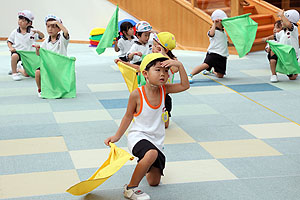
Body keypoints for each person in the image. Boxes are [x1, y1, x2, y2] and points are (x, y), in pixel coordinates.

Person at [104, 53, 190, 200]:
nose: (163, 74)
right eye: (158, 70)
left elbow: (185, 85)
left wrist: (179, 65)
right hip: (138, 136)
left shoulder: (165, 90)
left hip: (157, 141)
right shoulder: (137, 94)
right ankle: (130, 188)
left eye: (165, 71)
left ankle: (144, 163)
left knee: (154, 182)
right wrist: (117, 136)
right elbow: (128, 116)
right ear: (145, 74)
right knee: (151, 154)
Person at [187, 9, 229, 83]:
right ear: (215, 22)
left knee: (220, 75)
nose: (223, 24)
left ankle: (212, 71)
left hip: (222, 56)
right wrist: (214, 24)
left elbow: (225, 42)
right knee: (205, 65)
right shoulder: (213, 31)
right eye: (221, 22)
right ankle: (190, 75)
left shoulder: (223, 32)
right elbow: (211, 34)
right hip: (213, 54)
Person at [34, 14, 69, 97]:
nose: (50, 29)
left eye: (53, 26)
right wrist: (37, 49)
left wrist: (57, 22)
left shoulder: (62, 39)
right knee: (38, 72)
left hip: (61, 66)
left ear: (59, 29)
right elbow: (39, 54)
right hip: (50, 66)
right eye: (48, 26)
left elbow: (66, 32)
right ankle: (40, 89)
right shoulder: (46, 41)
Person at [262, 9, 299, 82]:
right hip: (281, 55)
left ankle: (295, 72)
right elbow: (275, 36)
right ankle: (273, 75)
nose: (282, 23)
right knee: (273, 49)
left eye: (283, 21)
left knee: (292, 78)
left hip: (290, 57)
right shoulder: (282, 32)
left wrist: (282, 15)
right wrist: (267, 38)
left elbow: (288, 24)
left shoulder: (294, 30)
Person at [7, 10, 44, 81]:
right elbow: (9, 41)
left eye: (23, 21)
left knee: (27, 74)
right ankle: (14, 73)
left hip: (29, 54)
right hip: (19, 52)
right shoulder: (15, 32)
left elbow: (42, 36)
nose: (20, 21)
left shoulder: (32, 31)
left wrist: (38, 32)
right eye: (19, 19)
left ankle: (18, 69)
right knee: (14, 56)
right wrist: (11, 48)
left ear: (29, 23)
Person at [152, 32, 178, 128]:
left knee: (165, 124)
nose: (152, 48)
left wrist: (164, 55)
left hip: (165, 92)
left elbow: (175, 69)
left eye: (156, 46)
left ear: (165, 50)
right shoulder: (154, 59)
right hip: (153, 92)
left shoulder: (172, 60)